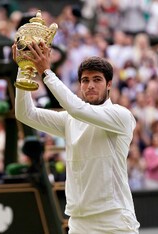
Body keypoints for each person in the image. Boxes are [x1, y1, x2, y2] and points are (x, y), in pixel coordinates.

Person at [13, 42, 140, 233]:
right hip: (79, 221)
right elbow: (25, 114)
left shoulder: (121, 116)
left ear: (109, 85)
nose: (90, 86)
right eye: (85, 80)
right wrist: (24, 69)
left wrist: (47, 72)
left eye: (97, 80)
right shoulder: (70, 120)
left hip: (114, 220)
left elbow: (76, 109)